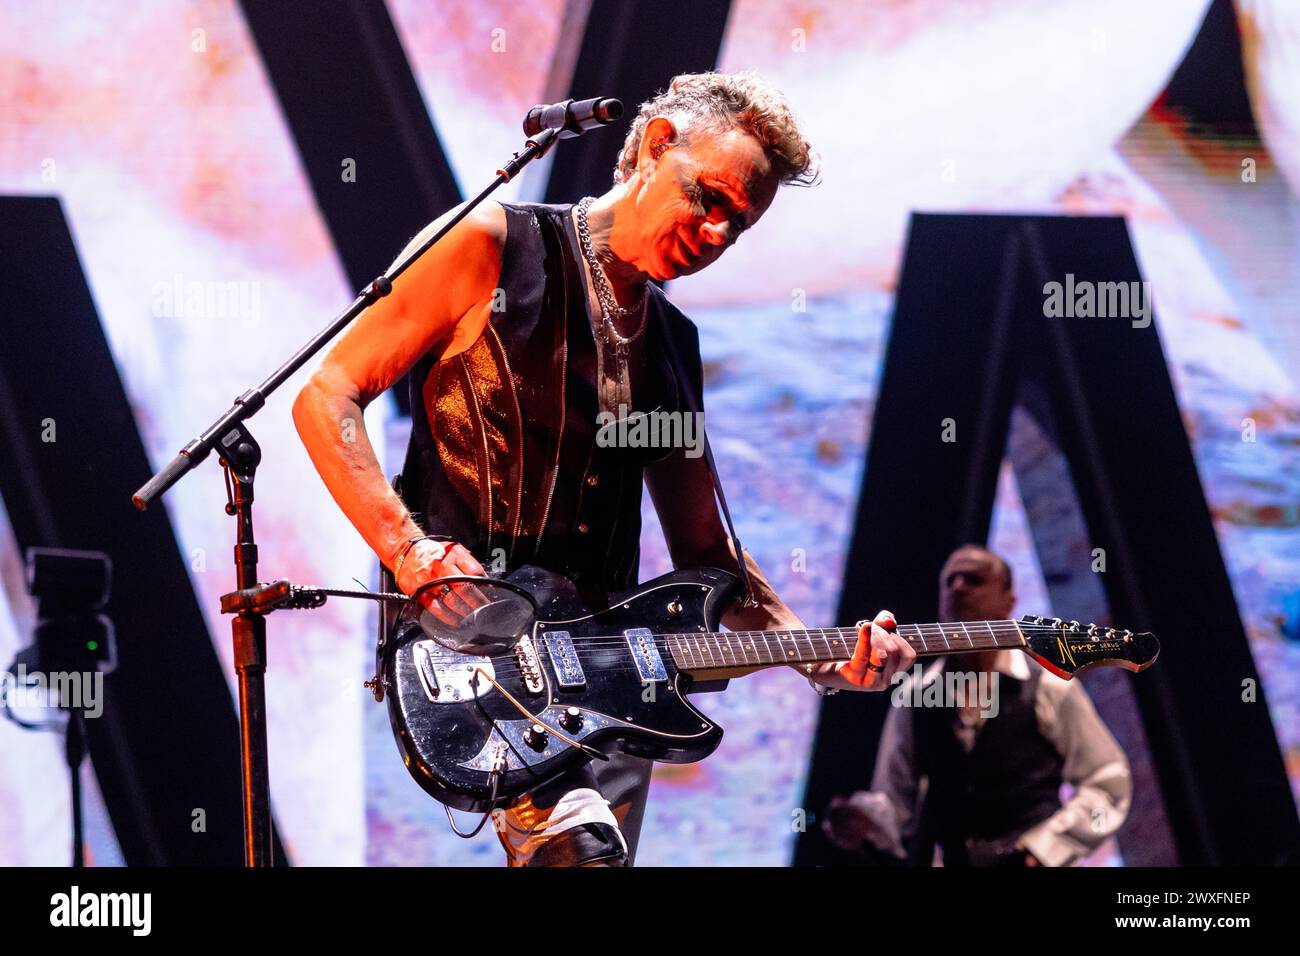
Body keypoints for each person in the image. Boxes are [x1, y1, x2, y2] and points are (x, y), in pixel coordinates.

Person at [292, 71, 916, 866]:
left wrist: (822, 654)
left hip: (614, 678)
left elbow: (709, 559)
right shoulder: (488, 247)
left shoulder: (671, 346)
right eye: (710, 199)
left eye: (741, 225)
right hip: (475, 644)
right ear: (656, 147)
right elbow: (327, 393)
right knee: (582, 853)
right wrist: (408, 552)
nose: (719, 234)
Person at [822, 545, 1132, 866]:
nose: (958, 587)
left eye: (974, 579)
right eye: (949, 581)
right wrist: (862, 820)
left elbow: (1107, 782)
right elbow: (896, 804)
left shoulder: (1048, 687)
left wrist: (1042, 850)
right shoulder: (914, 695)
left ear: (1008, 600)